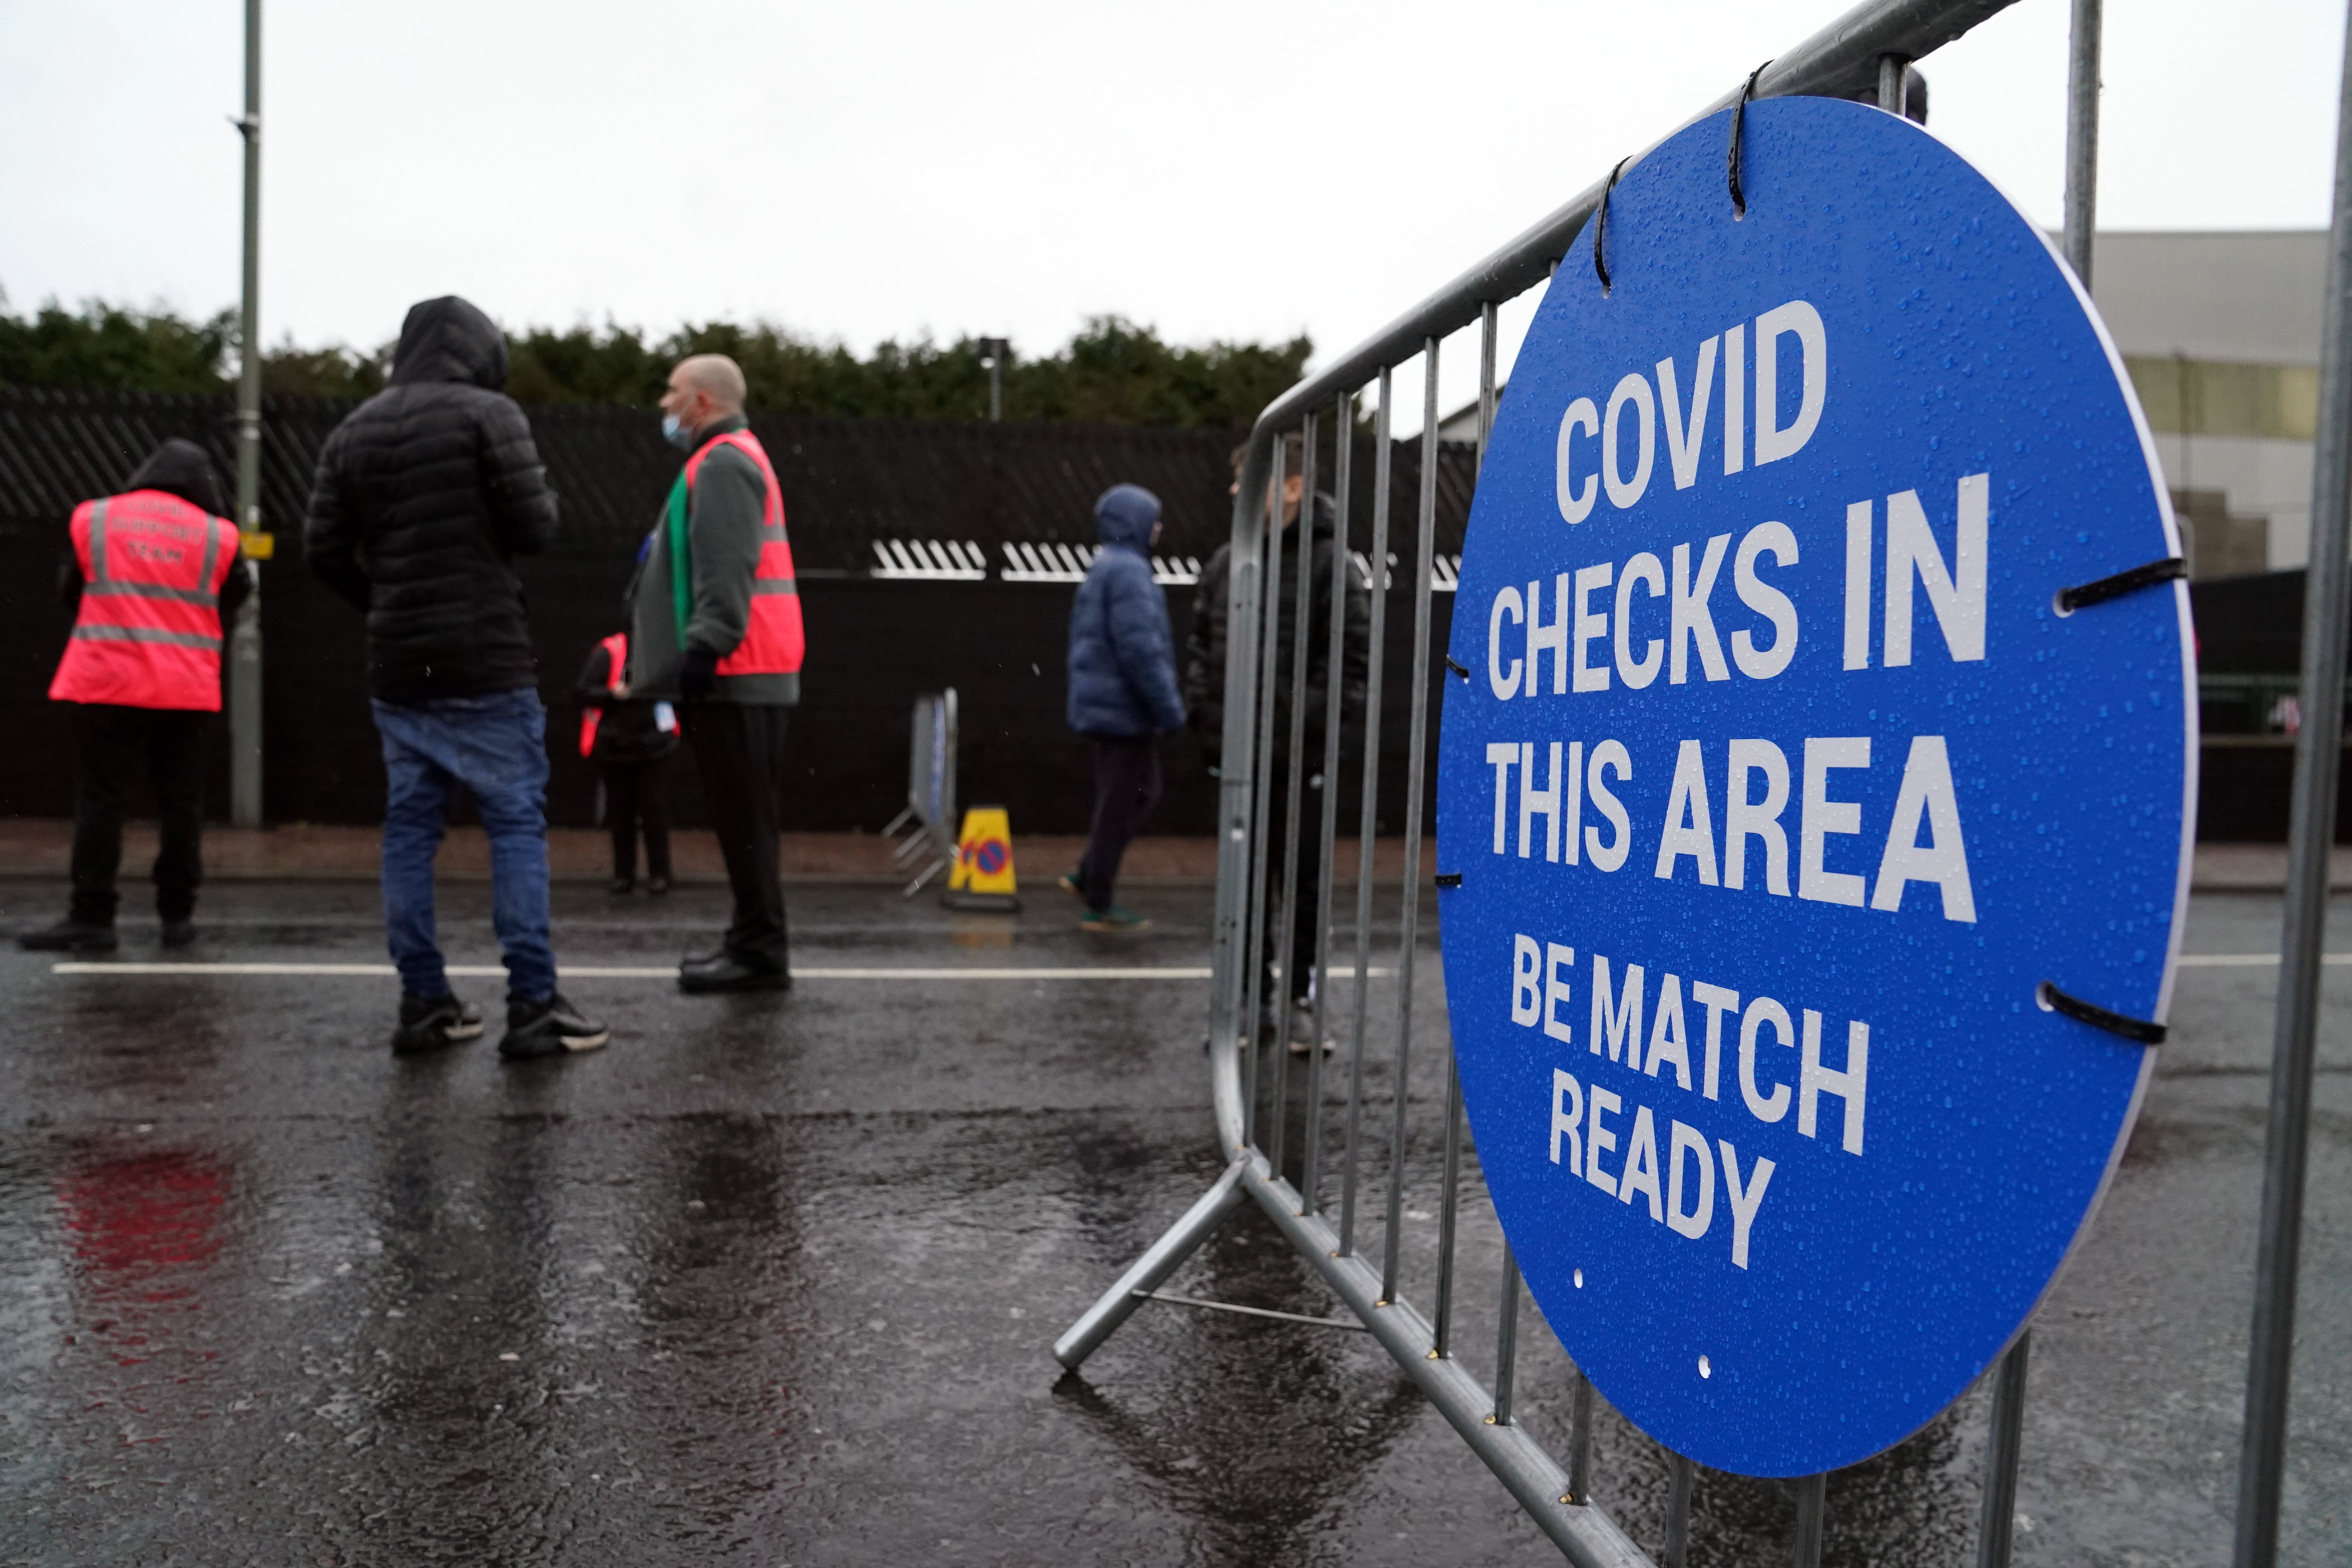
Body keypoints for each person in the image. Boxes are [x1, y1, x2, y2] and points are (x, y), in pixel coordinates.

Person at [304, 295, 608, 1060]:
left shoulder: (353, 430)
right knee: (513, 821)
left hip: (399, 665)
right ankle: (534, 1002)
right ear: (480, 350)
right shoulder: (488, 413)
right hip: (483, 654)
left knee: (410, 827)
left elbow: (322, 550)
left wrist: (387, 602)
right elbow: (535, 527)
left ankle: (423, 1000)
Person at [19, 438, 251, 955]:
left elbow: (70, 591)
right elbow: (234, 595)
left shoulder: (95, 519)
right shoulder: (219, 535)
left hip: (105, 682)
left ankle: (93, 919)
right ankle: (178, 919)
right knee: (182, 806)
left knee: (101, 801)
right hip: (186, 688)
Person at [625, 354, 805, 993]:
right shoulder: (725, 458)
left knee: (745, 817)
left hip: (739, 669)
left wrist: (704, 650)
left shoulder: (724, 462)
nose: (664, 406)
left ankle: (760, 949)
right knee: (744, 816)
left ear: (702, 401)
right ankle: (753, 940)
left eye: (672, 393)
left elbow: (726, 569)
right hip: (745, 664)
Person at [1184, 435, 1370, 1053]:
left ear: (1292, 488)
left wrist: (1299, 728)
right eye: (1236, 480)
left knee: (1304, 885)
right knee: (1242, 886)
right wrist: (1207, 722)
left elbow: (1349, 667)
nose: (1235, 492)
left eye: (1250, 479)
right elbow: (1201, 653)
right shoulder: (1223, 564)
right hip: (1237, 762)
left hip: (1301, 761)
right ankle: (1247, 1005)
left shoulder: (1331, 566)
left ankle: (1300, 1004)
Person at [1060, 483, 1185, 932]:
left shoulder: (1107, 567)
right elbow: (1141, 649)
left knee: (1133, 795)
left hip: (1109, 708)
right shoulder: (1130, 572)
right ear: (1134, 523)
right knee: (1123, 802)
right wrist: (1170, 709)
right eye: (1152, 519)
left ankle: (1089, 874)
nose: (1158, 528)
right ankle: (1099, 899)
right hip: (1125, 713)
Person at [574, 622, 679, 895]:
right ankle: (624, 876)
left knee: (654, 812)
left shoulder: (662, 652)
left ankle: (660, 874)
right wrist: (613, 694)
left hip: (653, 747)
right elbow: (583, 692)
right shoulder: (609, 653)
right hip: (616, 747)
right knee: (622, 815)